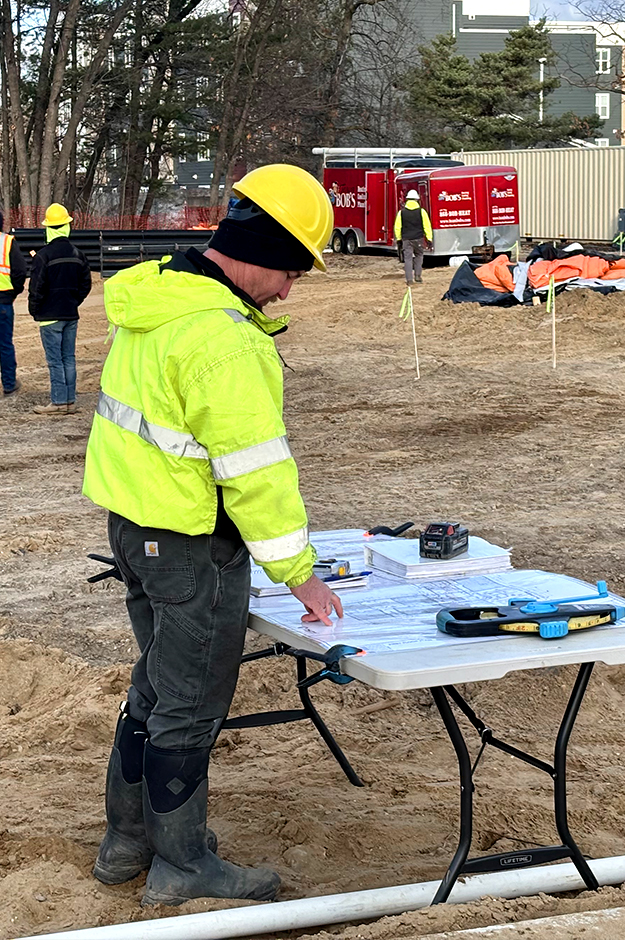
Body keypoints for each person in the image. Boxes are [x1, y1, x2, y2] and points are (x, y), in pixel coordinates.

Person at [82, 164, 343, 907]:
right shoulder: (225, 341)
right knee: (189, 704)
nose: (290, 291)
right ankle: (183, 865)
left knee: (156, 687)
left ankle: (126, 843)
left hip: (135, 527)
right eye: (292, 271)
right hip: (192, 544)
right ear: (263, 248)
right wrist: (299, 572)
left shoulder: (160, 301)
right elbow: (257, 474)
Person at [28, 203, 91, 415]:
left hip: (49, 317)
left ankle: (57, 402)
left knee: (55, 361)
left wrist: (35, 310)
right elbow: (86, 285)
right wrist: (73, 301)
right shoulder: (78, 254)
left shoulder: (43, 256)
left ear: (49, 227)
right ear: (66, 226)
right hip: (70, 314)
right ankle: (70, 401)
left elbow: (36, 288)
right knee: (69, 358)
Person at [0, 210, 28, 396]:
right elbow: (20, 271)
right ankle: (9, 384)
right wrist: (13, 293)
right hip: (3, 301)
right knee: (5, 344)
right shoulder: (7, 242)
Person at [393, 188, 433, 286]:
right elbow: (427, 226)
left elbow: (397, 227)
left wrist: (398, 240)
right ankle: (418, 276)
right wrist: (429, 239)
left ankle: (409, 279)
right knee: (419, 256)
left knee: (408, 259)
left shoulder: (401, 213)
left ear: (407, 200)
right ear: (417, 200)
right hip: (418, 238)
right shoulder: (422, 212)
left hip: (406, 239)